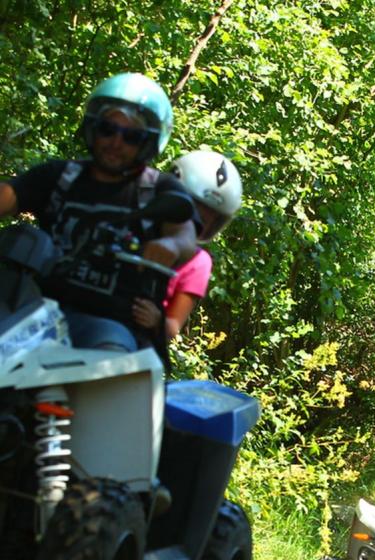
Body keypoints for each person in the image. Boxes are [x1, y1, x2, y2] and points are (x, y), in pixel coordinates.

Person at [0, 72, 197, 355]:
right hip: (31, 313)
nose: (116, 142)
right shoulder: (60, 176)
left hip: (110, 326)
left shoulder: (159, 189)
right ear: (93, 127)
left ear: (148, 142)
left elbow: (184, 233)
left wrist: (171, 245)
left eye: (131, 136)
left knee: (110, 358)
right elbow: (9, 195)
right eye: (108, 129)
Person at [131, 150, 243, 340]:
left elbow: (174, 325)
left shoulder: (199, 262)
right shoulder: (135, 223)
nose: (198, 223)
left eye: (208, 220)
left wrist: (157, 319)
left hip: (136, 340)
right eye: (192, 212)